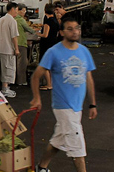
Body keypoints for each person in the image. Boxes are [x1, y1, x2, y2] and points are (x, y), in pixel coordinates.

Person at [31, 16, 97, 172]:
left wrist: (92, 104)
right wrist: (37, 98)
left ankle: (41, 168)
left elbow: (89, 78)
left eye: (77, 28)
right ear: (61, 32)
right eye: (70, 29)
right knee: (77, 146)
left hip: (77, 106)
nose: (75, 32)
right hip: (63, 106)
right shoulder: (53, 52)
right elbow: (36, 76)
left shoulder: (84, 51)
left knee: (58, 140)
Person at [38, 3, 58, 90]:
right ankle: (52, 83)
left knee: (44, 65)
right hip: (53, 43)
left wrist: (38, 33)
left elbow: (45, 35)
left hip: (46, 44)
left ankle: (49, 84)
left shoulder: (48, 22)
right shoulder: (55, 21)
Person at [15, 3, 34, 87]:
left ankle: (14, 80)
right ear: (18, 10)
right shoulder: (21, 20)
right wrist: (36, 31)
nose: (24, 13)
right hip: (21, 42)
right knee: (22, 63)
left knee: (15, 63)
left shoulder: (12, 19)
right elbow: (28, 29)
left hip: (14, 43)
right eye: (23, 11)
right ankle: (21, 81)